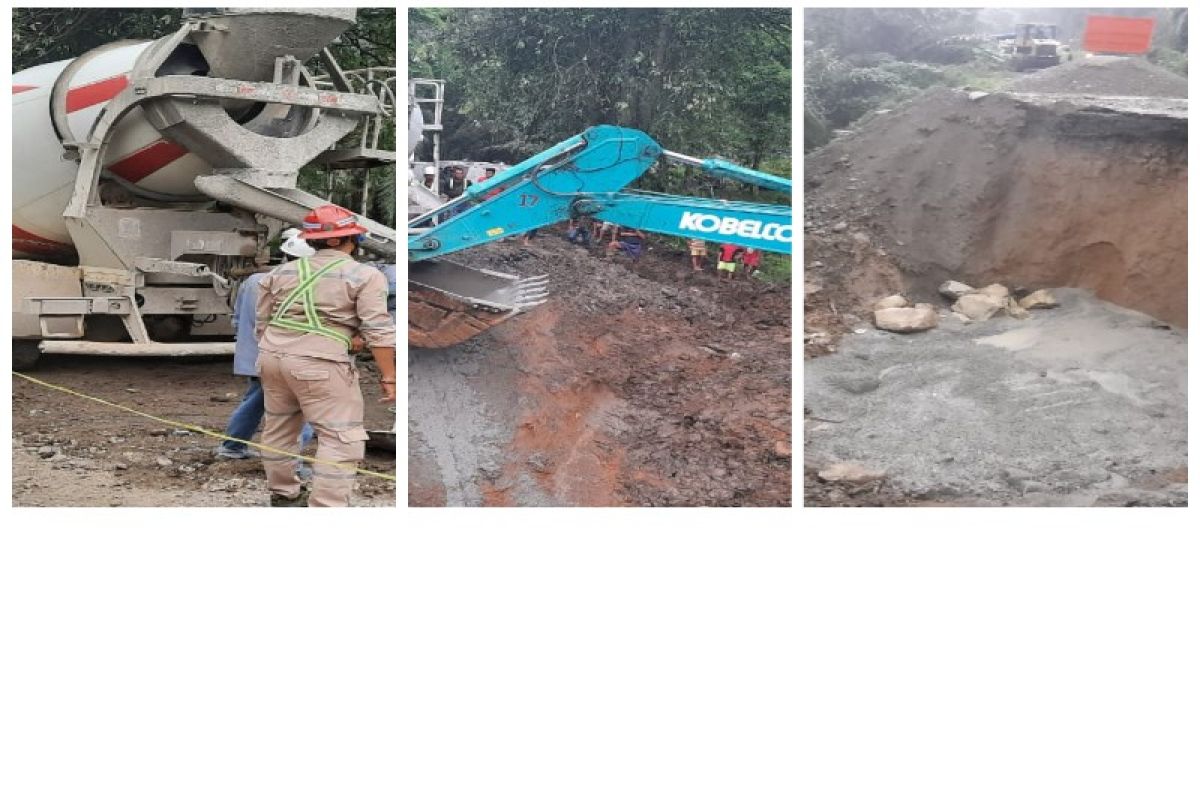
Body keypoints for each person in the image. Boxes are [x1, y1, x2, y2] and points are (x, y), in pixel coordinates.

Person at [256, 205, 397, 507]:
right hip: (320, 364)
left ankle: (284, 495)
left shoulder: (280, 271)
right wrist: (389, 375)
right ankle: (328, 507)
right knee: (340, 438)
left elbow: (263, 322)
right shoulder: (364, 275)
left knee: (279, 428)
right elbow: (378, 330)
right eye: (353, 238)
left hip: (272, 358)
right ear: (338, 241)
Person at [215, 229, 315, 473]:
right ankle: (291, 464)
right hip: (282, 356)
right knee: (299, 407)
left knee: (255, 401)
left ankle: (233, 446)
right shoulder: (296, 283)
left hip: (255, 355)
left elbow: (237, 317)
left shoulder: (253, 280)